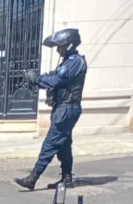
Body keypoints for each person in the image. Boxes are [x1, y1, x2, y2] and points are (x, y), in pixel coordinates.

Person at [14, 29, 87, 191]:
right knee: (64, 145)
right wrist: (38, 80)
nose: (58, 50)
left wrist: (38, 79)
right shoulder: (68, 61)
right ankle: (67, 178)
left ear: (68, 45)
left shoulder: (75, 61)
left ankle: (33, 178)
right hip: (63, 108)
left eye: (60, 46)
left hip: (67, 109)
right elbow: (54, 78)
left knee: (51, 143)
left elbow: (57, 80)